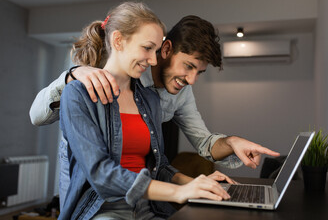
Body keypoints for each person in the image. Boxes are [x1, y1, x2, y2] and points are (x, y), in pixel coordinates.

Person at [30, 14, 279, 209]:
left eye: (199, 72)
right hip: (91, 181)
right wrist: (72, 74)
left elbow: (201, 144)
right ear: (167, 49)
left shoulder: (178, 93)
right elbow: (38, 117)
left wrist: (232, 142)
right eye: (189, 66)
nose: (192, 80)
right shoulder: (118, 72)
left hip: (138, 191)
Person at [58, 1, 232, 220]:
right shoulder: (77, 93)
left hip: (146, 207)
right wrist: (179, 192)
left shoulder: (149, 98)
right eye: (148, 48)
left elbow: (160, 167)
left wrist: (197, 184)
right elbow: (100, 173)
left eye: (156, 51)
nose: (153, 60)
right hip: (103, 209)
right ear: (118, 40)